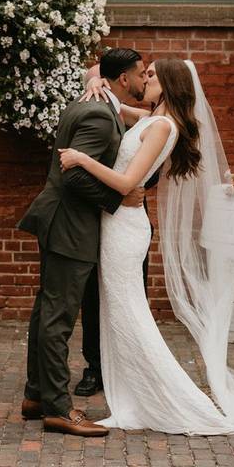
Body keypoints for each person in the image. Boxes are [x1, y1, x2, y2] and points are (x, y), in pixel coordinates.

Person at [57, 58, 234, 434]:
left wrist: (81, 159)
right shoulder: (151, 118)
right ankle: (131, 396)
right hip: (115, 226)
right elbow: (116, 105)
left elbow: (128, 183)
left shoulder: (163, 126)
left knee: (130, 316)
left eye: (151, 76)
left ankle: (167, 399)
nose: (145, 79)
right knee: (116, 314)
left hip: (126, 229)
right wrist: (99, 85)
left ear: (170, 86)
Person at [16, 48, 147, 437]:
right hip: (69, 225)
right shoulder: (97, 114)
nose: (142, 81)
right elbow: (72, 174)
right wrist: (118, 198)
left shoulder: (97, 103)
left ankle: (37, 394)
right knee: (58, 317)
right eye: (140, 74)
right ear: (123, 78)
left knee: (47, 310)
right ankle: (57, 408)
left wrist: (95, 78)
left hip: (61, 221)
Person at [74, 63, 160, 398]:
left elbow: (151, 168)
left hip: (129, 214)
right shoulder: (94, 108)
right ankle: (95, 367)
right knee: (93, 295)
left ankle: (130, 366)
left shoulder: (150, 117)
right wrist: (94, 80)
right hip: (93, 215)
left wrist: (132, 189)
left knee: (130, 292)